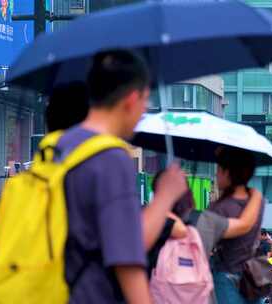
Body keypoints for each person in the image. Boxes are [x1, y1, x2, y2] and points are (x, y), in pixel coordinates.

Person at [55, 50, 187, 303]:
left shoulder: (61, 145)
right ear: (132, 98)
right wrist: (166, 195)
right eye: (146, 99)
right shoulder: (111, 158)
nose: (145, 109)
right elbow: (127, 255)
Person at [147, 172, 264, 275]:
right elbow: (244, 224)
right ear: (189, 194)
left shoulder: (145, 219)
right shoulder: (204, 219)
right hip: (193, 292)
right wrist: (256, 195)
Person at [208, 147, 264, 304]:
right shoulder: (257, 201)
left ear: (228, 172)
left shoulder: (218, 207)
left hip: (226, 274)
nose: (217, 174)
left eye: (219, 170)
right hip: (254, 275)